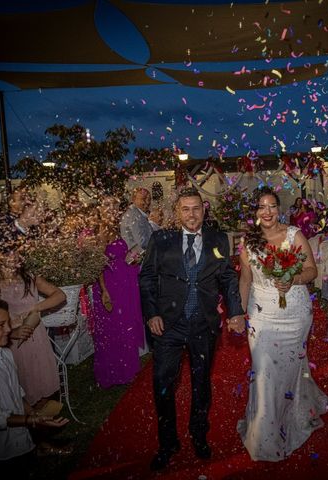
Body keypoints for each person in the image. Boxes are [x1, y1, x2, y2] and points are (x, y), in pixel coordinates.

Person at [139, 187, 245, 471]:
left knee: (201, 384)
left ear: (204, 209)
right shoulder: (160, 240)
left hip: (203, 325)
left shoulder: (219, 239)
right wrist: (152, 314)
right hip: (168, 327)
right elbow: (147, 278)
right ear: (177, 212)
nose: (191, 214)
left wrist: (235, 312)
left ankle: (199, 435)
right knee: (163, 385)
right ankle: (167, 443)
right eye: (185, 209)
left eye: (196, 208)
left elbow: (228, 278)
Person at [237, 187, 328, 461]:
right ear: (254, 213)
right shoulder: (248, 242)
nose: (267, 212)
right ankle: (263, 433)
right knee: (265, 372)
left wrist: (293, 279)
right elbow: (245, 280)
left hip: (295, 312)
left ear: (279, 209)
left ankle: (294, 414)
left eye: (272, 206)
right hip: (261, 315)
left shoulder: (294, 235)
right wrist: (239, 313)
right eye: (261, 207)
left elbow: (312, 271)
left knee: (291, 369)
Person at [0, 299, 68, 478]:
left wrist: (33, 414)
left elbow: (17, 391)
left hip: (15, 440)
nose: (9, 329)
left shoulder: (5, 353)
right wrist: (31, 421)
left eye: (8, 322)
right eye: (1, 325)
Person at [0, 247, 65, 408]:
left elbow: (60, 295)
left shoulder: (30, 278)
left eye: (15, 251)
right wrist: (12, 332)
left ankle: (41, 423)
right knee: (21, 390)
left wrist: (36, 308)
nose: (13, 256)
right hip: (12, 342)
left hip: (36, 337)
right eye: (7, 252)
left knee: (42, 386)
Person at [91, 195, 147, 388]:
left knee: (126, 326)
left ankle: (128, 369)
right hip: (111, 287)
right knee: (112, 330)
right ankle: (112, 373)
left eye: (115, 207)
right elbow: (97, 265)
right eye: (108, 206)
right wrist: (104, 291)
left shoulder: (115, 228)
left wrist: (133, 257)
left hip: (125, 283)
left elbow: (119, 257)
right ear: (101, 209)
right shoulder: (100, 232)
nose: (112, 211)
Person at [120, 187, 154, 262]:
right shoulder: (135, 216)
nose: (147, 202)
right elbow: (141, 242)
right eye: (143, 199)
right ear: (134, 199)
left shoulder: (137, 214)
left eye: (149, 199)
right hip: (137, 261)